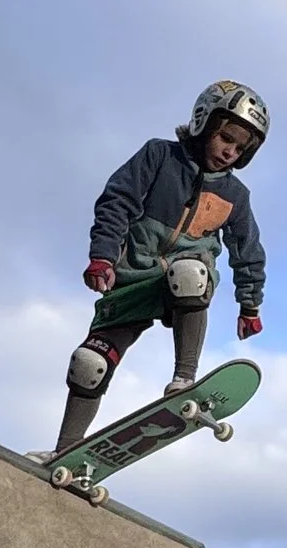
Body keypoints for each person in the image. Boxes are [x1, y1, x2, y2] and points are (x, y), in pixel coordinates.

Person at [52, 81, 269, 459]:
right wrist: (103, 256)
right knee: (88, 365)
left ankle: (183, 378)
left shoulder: (236, 196)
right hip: (133, 279)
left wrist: (250, 304)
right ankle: (64, 453)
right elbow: (116, 202)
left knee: (190, 273)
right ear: (204, 123)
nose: (230, 152)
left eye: (240, 149)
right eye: (226, 138)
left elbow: (247, 251)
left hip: (183, 280)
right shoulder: (158, 156)